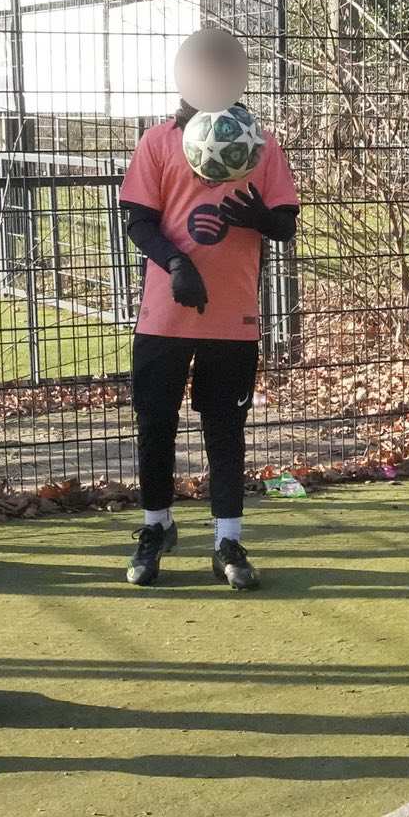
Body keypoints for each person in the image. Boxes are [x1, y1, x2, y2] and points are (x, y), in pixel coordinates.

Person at [118, 34, 299, 590]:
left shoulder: (260, 145)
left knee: (225, 428)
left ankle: (227, 539)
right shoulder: (158, 141)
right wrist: (175, 263)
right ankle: (156, 527)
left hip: (233, 318)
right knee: (156, 424)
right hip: (165, 317)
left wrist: (259, 220)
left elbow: (287, 224)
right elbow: (137, 218)